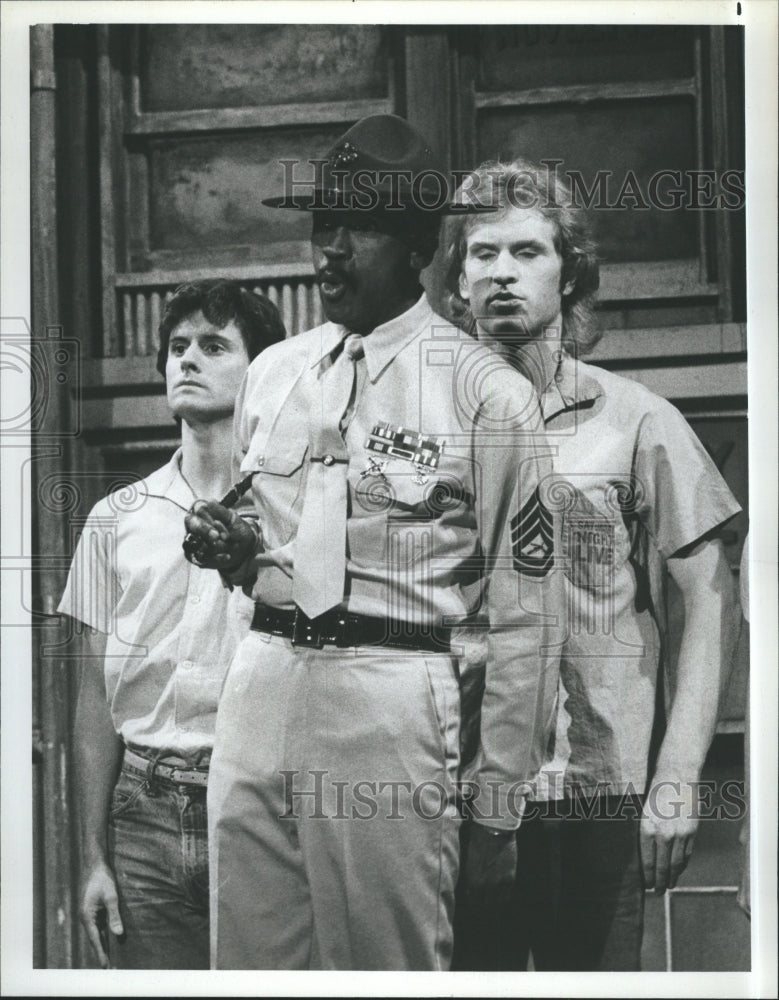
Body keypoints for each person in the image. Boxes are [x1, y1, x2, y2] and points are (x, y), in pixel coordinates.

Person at [183, 115, 564, 971]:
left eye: (358, 228)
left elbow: (525, 617)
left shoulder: (486, 396)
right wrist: (235, 548)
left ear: (419, 246)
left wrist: (498, 798)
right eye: (323, 226)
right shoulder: (277, 372)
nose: (331, 251)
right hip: (262, 682)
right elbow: (274, 529)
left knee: (382, 967)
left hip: (388, 695)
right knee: (247, 961)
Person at [445, 159, 742, 971]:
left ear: (568, 270)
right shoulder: (425, 424)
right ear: (455, 275)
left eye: (526, 251)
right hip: (452, 789)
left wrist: (677, 777)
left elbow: (708, 602)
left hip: (594, 789)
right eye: (481, 253)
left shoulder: (637, 420)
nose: (501, 272)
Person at [58, 279, 285, 969]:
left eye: (214, 346)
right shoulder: (116, 516)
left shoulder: (295, 509)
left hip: (263, 804)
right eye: (177, 346)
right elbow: (96, 696)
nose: (186, 359)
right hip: (144, 814)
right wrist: (92, 856)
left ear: (262, 371)